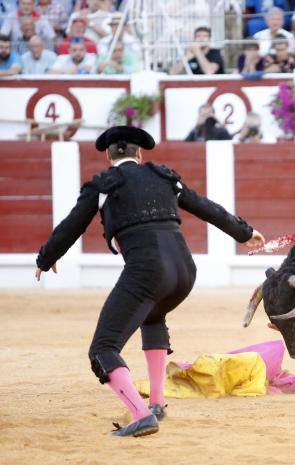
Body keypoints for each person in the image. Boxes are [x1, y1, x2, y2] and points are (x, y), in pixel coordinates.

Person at [34, 126, 265, 436]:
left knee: (103, 348)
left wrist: (45, 259)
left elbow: (71, 226)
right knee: (152, 316)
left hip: (147, 271)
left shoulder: (103, 185)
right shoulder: (165, 177)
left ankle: (141, 414)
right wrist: (245, 232)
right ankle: (156, 402)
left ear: (108, 155)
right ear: (140, 154)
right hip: (184, 271)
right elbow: (206, 207)